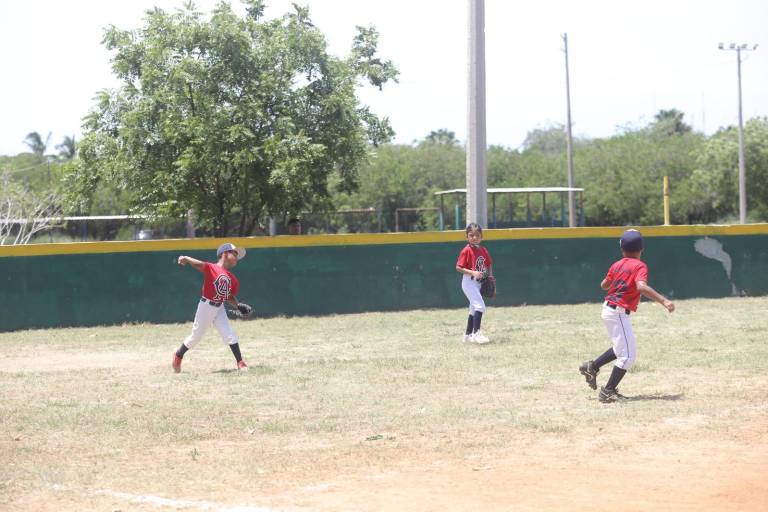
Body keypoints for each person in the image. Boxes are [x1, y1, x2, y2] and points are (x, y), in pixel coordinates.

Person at [579, 229, 675, 403]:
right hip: (617, 312)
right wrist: (664, 300)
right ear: (641, 249)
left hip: (608, 310)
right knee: (628, 355)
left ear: (622, 249)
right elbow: (641, 287)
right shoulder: (639, 265)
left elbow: (604, 285)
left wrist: (618, 278)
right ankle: (608, 391)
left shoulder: (617, 264)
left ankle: (592, 367)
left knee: (621, 348)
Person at [172, 243, 251, 373]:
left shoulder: (232, 279)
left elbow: (228, 296)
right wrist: (186, 258)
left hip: (219, 307)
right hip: (206, 306)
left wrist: (238, 306)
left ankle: (240, 362)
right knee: (196, 337)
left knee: (229, 333)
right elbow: (199, 265)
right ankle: (178, 354)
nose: (237, 257)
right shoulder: (212, 268)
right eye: (234, 254)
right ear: (225, 254)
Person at [455, 223, 493, 344]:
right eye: (471, 235)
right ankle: (476, 334)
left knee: (473, 309)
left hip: (478, 283)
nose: (474, 237)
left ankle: (467, 336)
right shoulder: (466, 250)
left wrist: (490, 276)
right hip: (469, 282)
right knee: (480, 306)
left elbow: (489, 264)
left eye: (477, 235)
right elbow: (458, 267)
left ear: (482, 236)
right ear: (467, 237)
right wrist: (472, 272)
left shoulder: (483, 250)